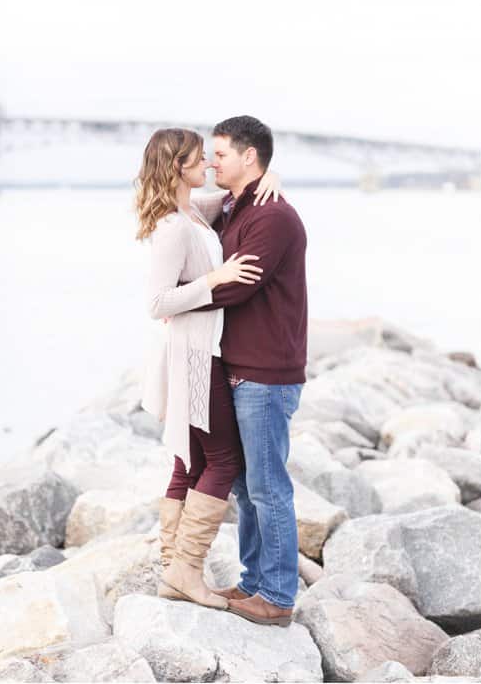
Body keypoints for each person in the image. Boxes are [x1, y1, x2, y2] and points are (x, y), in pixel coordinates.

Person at [137, 128, 281, 609]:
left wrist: (270, 175)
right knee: (223, 461)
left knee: (188, 459)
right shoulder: (174, 227)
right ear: (179, 167)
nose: (211, 166)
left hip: (197, 350)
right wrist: (214, 279)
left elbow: (236, 192)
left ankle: (168, 569)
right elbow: (157, 301)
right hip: (197, 356)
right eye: (202, 159)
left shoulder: (192, 211)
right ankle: (186, 571)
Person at [194, 115, 309, 627]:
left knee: (267, 486)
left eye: (219, 155)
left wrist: (176, 301)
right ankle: (253, 581)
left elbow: (238, 286)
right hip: (242, 368)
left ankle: (279, 597)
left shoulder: (273, 217)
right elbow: (171, 207)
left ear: (249, 156)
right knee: (245, 486)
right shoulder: (238, 206)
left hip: (266, 374)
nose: (210, 162)